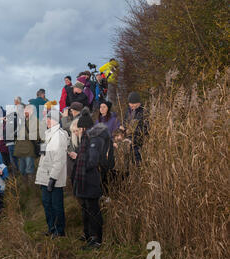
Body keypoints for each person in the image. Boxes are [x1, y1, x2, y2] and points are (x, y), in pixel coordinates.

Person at [71, 108, 114, 249]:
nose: (78, 132)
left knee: (93, 210)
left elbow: (93, 161)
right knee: (87, 209)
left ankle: (97, 239)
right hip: (85, 180)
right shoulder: (87, 137)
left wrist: (81, 166)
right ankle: (89, 235)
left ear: (84, 127)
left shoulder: (94, 138)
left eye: (79, 129)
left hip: (91, 180)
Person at [35, 110, 69, 238]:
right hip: (45, 175)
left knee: (56, 205)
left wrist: (53, 178)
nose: (47, 121)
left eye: (49, 119)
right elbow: (45, 157)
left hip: (54, 178)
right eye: (47, 118)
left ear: (56, 120)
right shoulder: (48, 134)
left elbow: (59, 160)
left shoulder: (59, 136)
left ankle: (60, 231)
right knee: (46, 204)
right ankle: (51, 228)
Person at [14, 104, 38, 186]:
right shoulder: (22, 121)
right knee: (22, 170)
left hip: (29, 149)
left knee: (29, 169)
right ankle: (24, 188)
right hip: (20, 149)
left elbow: (36, 136)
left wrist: (25, 134)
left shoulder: (35, 121)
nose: (25, 111)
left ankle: (31, 189)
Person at [122, 92, 148, 164]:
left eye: (133, 103)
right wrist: (123, 129)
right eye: (130, 103)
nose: (131, 105)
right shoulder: (128, 111)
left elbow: (145, 128)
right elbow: (125, 122)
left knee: (136, 157)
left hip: (138, 139)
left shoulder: (143, 112)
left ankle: (138, 169)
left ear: (139, 103)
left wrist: (132, 133)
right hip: (128, 137)